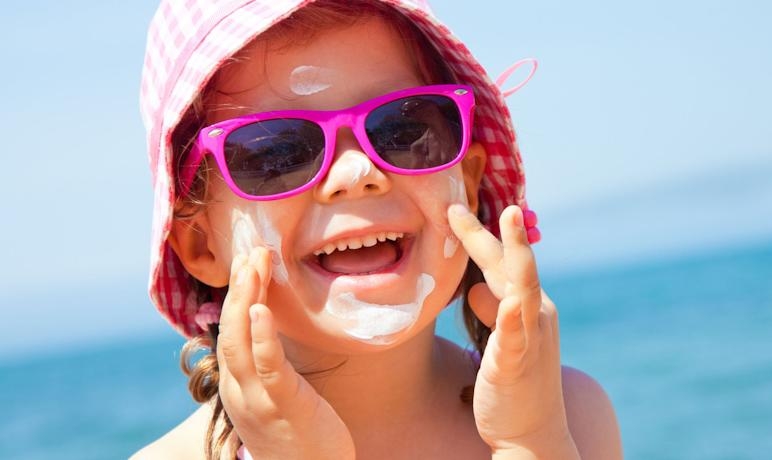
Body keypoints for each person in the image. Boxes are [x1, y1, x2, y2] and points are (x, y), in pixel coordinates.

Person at [133, 1, 622, 459]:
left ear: (469, 186)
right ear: (201, 245)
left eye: (402, 130)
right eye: (277, 153)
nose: (356, 172)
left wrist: (530, 441)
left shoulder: (570, 417)